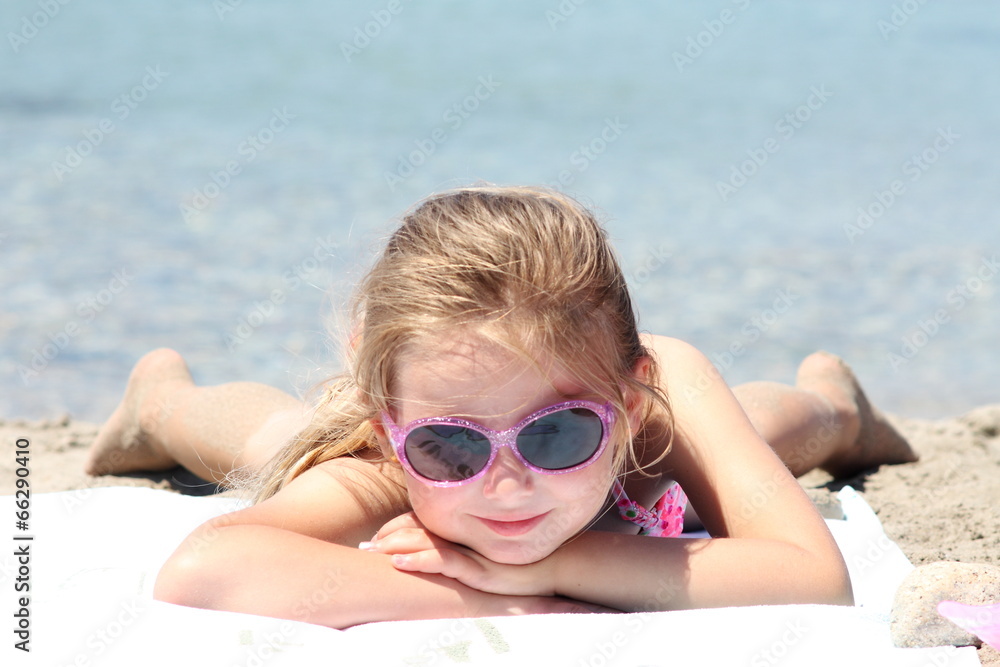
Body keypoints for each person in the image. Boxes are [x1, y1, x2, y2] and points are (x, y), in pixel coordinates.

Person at [86, 185, 918, 628]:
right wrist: (490, 598)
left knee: (765, 427)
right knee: (275, 440)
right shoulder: (382, 458)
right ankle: (158, 398)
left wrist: (549, 567)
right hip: (370, 422)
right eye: (452, 449)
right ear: (393, 427)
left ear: (627, 399)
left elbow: (811, 574)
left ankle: (839, 400)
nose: (508, 486)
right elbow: (205, 567)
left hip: (649, 452)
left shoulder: (660, 403)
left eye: (558, 434)